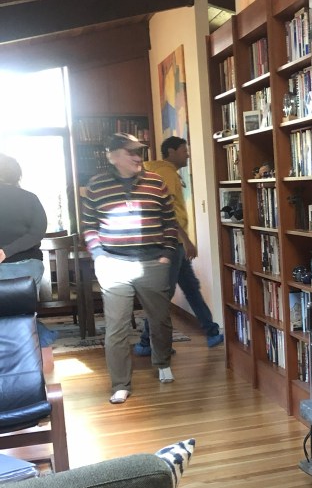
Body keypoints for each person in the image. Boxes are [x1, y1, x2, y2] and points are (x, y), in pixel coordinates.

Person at [81, 132, 179, 404]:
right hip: (113, 263)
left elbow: (169, 221)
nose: (138, 157)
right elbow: (89, 225)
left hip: (152, 262)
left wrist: (168, 252)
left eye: (140, 151)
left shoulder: (156, 182)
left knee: (160, 319)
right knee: (116, 327)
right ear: (112, 156)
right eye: (131, 152)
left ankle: (162, 363)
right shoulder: (96, 185)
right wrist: (98, 255)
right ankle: (120, 383)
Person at [134, 134, 223, 354]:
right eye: (184, 151)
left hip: (168, 242)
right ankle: (147, 342)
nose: (188, 154)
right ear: (171, 152)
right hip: (171, 242)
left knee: (191, 288)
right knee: (164, 295)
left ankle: (211, 332)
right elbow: (168, 211)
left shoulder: (160, 171)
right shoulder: (166, 173)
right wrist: (185, 239)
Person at [0, 153, 59, 348]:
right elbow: (37, 233)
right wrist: (7, 251)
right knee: (21, 312)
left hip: (4, 268)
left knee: (6, 315)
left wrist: (4, 252)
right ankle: (40, 343)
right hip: (28, 267)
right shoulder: (31, 198)